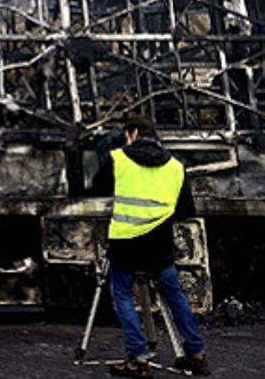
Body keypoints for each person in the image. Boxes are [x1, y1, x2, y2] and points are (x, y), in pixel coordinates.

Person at [92, 118, 210, 377]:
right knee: (175, 296)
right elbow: (186, 209)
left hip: (125, 243)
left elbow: (97, 187)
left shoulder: (118, 159)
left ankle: (138, 357)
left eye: (126, 135)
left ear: (132, 134)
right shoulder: (176, 166)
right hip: (160, 244)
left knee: (123, 295)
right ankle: (197, 354)